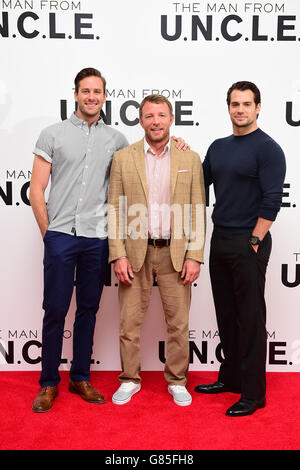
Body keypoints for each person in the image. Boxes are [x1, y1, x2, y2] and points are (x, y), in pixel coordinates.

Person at [30, 69, 189, 413]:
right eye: (85, 91)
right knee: (55, 310)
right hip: (61, 236)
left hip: (97, 239)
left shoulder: (117, 141)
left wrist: (178, 144)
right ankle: (48, 383)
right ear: (75, 94)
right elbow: (36, 190)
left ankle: (80, 377)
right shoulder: (52, 134)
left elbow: (148, 150)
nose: (91, 97)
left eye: (97, 92)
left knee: (89, 309)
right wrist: (50, 234)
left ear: (104, 97)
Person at [194, 81, 286, 417]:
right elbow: (197, 183)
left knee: (249, 317)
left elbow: (272, 200)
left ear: (258, 107)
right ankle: (230, 378)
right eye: (235, 104)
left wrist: (255, 240)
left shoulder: (268, 149)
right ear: (228, 107)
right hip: (220, 238)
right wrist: (180, 152)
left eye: (247, 104)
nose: (240, 110)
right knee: (227, 314)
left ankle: (253, 393)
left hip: (250, 240)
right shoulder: (218, 147)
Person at [108, 94, 206, 407]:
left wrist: (194, 254)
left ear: (171, 118)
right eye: (149, 116)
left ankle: (177, 380)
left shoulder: (189, 159)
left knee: (179, 324)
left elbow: (197, 209)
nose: (156, 121)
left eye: (161, 115)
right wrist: (118, 253)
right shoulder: (124, 158)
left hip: (175, 254)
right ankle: (130, 378)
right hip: (136, 252)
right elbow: (114, 208)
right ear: (141, 121)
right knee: (129, 324)